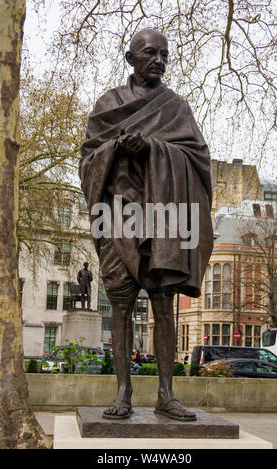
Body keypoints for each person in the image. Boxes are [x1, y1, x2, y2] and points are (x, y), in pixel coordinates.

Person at [80, 28, 213, 421]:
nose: (158, 60)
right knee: (120, 303)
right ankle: (122, 393)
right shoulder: (109, 104)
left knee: (163, 305)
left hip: (163, 219)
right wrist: (117, 147)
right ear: (130, 58)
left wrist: (154, 147)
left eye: (164, 55)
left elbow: (198, 159)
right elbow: (88, 160)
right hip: (118, 215)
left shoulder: (176, 107)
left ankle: (166, 395)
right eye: (151, 53)